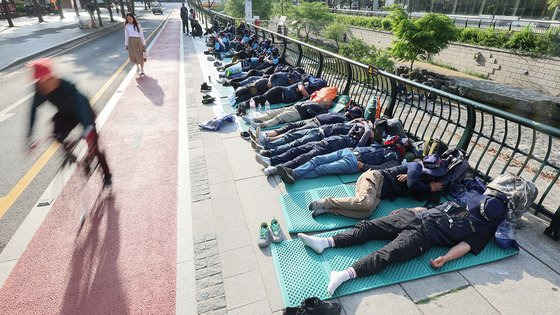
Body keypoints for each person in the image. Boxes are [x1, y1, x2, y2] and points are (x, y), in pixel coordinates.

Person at [297, 192, 510, 296]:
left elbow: (464, 246)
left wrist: (445, 258)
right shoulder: (467, 202)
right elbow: (434, 208)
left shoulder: (483, 230)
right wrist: (411, 210)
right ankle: (324, 242)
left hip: (424, 237)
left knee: (386, 254)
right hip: (413, 217)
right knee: (368, 227)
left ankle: (342, 275)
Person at [27, 58, 112, 187]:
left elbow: (82, 106)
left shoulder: (67, 86)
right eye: (38, 82)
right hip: (66, 115)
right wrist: (29, 136)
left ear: (52, 77)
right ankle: (72, 153)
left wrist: (88, 129)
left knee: (93, 142)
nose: (42, 86)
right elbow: (33, 111)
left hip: (83, 111)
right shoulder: (40, 90)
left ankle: (107, 175)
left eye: (44, 81)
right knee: (56, 133)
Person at [304, 155, 447, 219]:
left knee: (365, 213)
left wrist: (424, 185)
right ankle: (325, 201)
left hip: (378, 194)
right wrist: (427, 187)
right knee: (364, 203)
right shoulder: (415, 166)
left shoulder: (418, 177)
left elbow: (418, 194)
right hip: (375, 178)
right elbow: (412, 185)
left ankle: (329, 210)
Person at [275, 140, 405, 183]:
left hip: (354, 163)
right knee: (317, 159)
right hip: (348, 152)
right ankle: (292, 172)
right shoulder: (385, 146)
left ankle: (294, 175)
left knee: (322, 169)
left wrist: (363, 166)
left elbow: (382, 168)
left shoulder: (394, 159)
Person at [242, 100, 332, 129]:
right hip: (293, 107)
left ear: (328, 105)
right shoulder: (315, 102)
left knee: (279, 117)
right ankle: (256, 119)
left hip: (298, 113)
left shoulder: (323, 110)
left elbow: (316, 116)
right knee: (272, 112)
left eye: (327, 102)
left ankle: (262, 125)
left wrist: (310, 111)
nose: (324, 101)